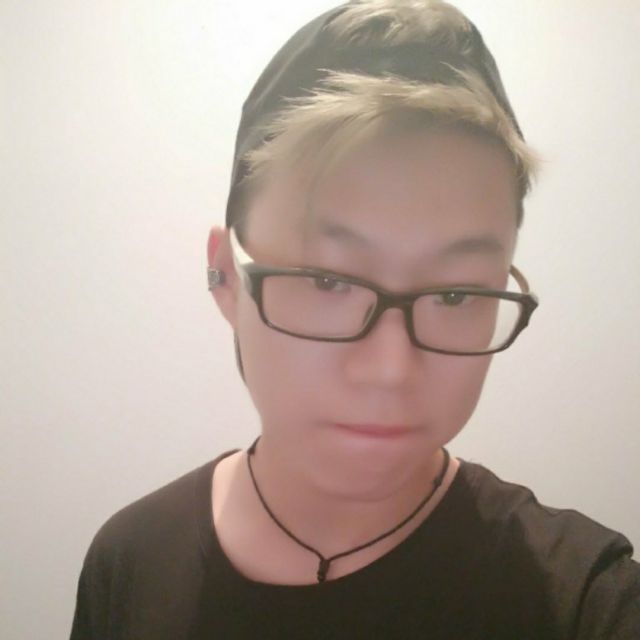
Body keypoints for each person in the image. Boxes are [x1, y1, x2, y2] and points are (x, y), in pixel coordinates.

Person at [70, 1, 640, 638]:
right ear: (225, 275)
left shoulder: (581, 597)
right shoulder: (131, 562)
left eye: (456, 294)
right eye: (328, 281)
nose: (390, 370)